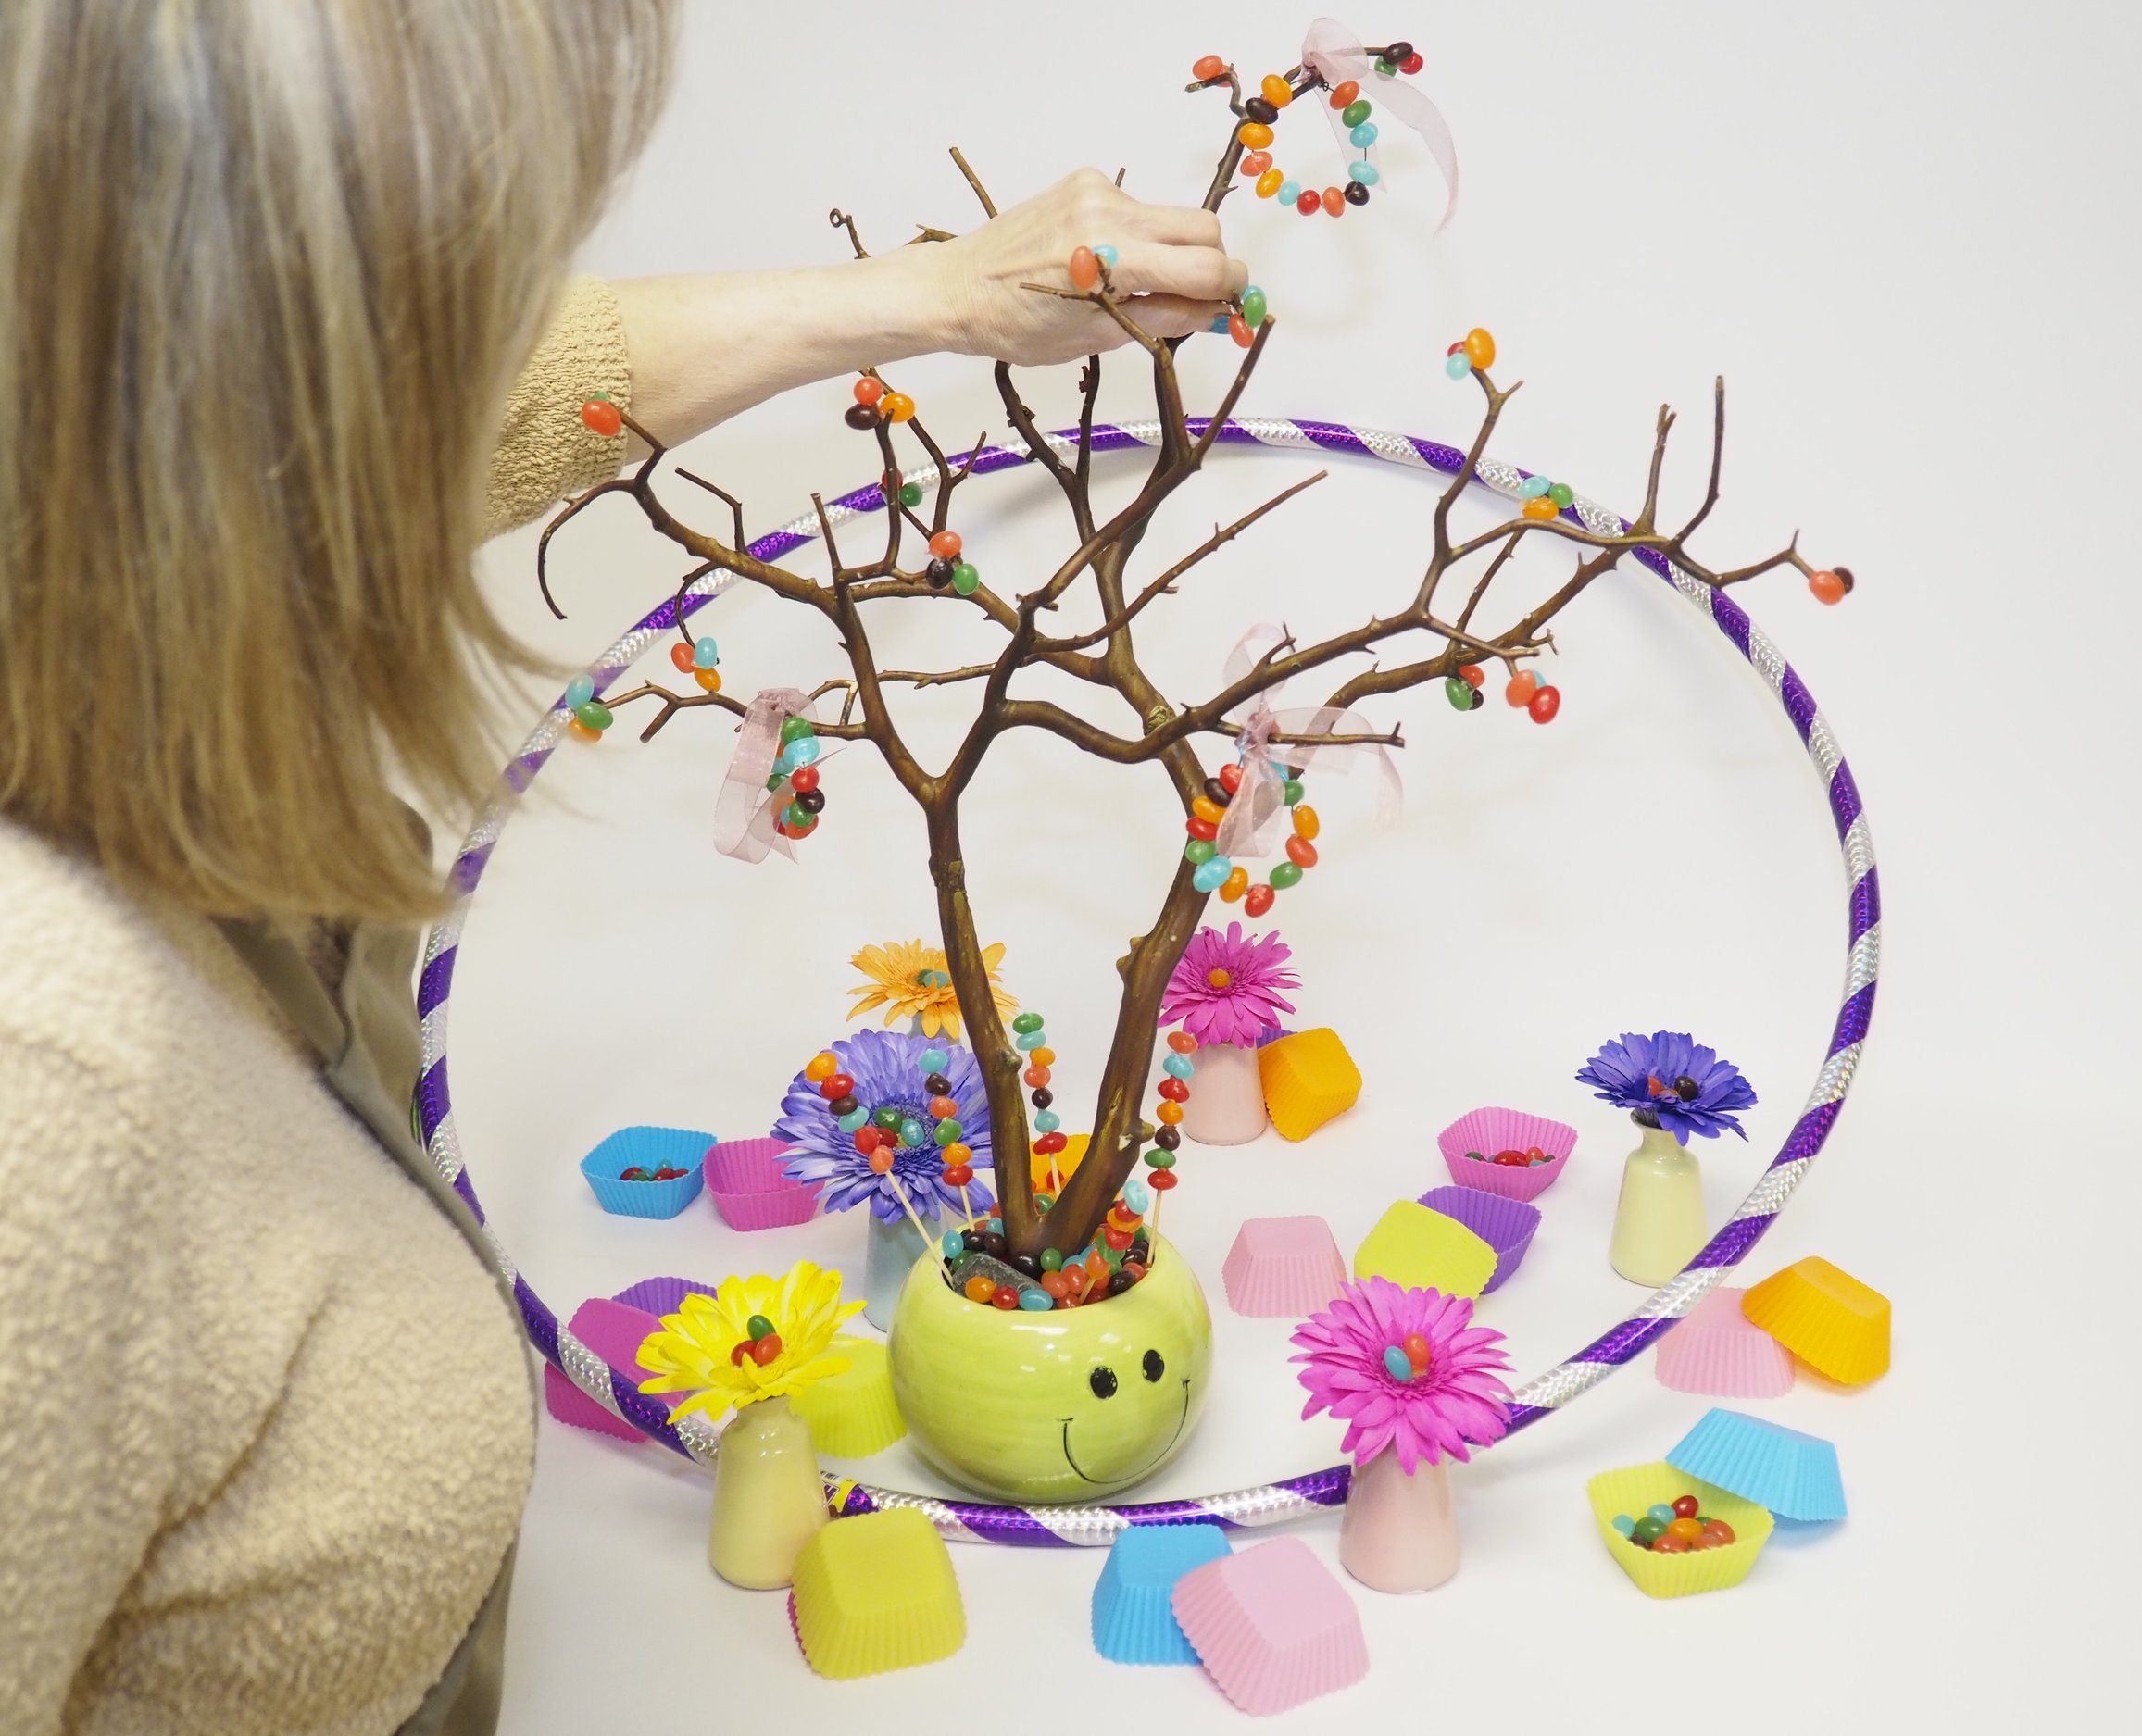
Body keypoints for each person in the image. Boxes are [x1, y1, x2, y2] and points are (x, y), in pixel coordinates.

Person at [0, 4, 1246, 1731]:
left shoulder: (108, 573)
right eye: (464, 266)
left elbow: (442, 415)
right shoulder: (43, 1081)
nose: (502, 324)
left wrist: (937, 294)